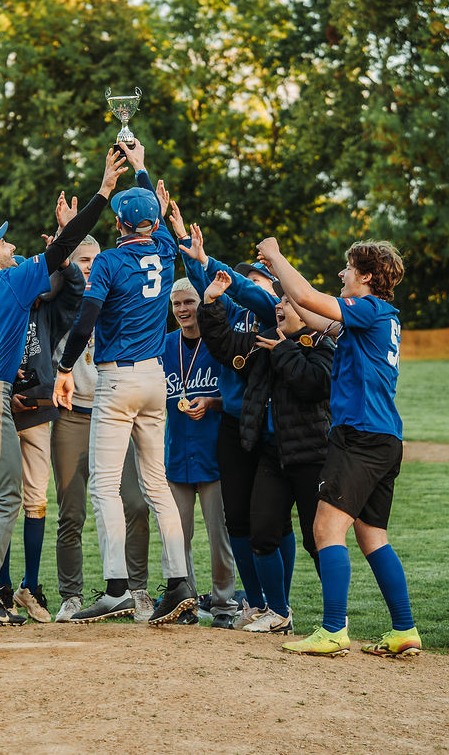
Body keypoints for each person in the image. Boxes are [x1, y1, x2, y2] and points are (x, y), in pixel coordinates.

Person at [0, 148, 127, 627]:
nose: (7, 245)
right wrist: (103, 193)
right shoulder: (10, 283)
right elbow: (62, 253)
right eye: (0, 244)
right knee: (5, 500)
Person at [256, 237, 422, 658]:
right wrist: (277, 277)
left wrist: (277, 254)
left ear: (366, 276)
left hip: (360, 437)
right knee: (373, 538)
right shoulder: (377, 317)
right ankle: (405, 629)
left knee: (326, 529)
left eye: (348, 269)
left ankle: (333, 631)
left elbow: (309, 296)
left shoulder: (367, 309)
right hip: (384, 438)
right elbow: (310, 313)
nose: (341, 274)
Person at [53, 138, 195, 626]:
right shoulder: (164, 248)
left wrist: (66, 367)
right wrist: (140, 167)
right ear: (153, 222)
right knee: (157, 486)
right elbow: (149, 211)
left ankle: (116, 587)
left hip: (117, 382)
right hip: (158, 379)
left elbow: (87, 318)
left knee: (105, 488)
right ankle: (178, 583)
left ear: (117, 225)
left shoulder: (111, 261)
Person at [198, 271, 334, 635]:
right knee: (261, 532)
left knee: (317, 539)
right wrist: (211, 303)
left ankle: (337, 619)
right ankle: (278, 612)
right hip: (271, 455)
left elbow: (314, 384)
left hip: (311, 456)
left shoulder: (323, 345)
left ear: (307, 313)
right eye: (280, 300)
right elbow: (225, 345)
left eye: (289, 302)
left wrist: (285, 348)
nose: (280, 306)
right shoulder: (265, 341)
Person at [167, 217, 283, 630]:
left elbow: (239, 287)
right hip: (234, 427)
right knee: (239, 520)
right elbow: (205, 288)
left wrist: (218, 265)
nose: (252, 285)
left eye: (261, 280)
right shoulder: (233, 317)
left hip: (271, 430)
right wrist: (187, 245)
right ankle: (251, 602)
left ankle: (276, 603)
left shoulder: (274, 313)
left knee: (271, 522)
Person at [48, 236, 154, 623]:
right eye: (82, 259)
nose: (91, 264)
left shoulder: (118, 293)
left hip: (115, 413)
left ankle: (135, 589)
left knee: (136, 504)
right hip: (72, 415)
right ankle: (71, 595)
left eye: (96, 258)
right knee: (71, 511)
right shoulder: (62, 302)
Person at [0, 212, 88, 624]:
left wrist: (64, 261)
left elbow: (76, 291)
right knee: (3, 502)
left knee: (35, 499)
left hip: (36, 412)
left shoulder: (47, 311)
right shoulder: (0, 308)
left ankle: (28, 588)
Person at [164, 277, 238, 628]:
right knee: (178, 536)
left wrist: (212, 402)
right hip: (177, 454)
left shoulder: (219, 344)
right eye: (177, 304)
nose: (183, 309)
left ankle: (224, 604)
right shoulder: (164, 346)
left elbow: (236, 399)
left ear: (201, 303)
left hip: (213, 454)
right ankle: (186, 603)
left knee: (218, 535)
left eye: (189, 302)